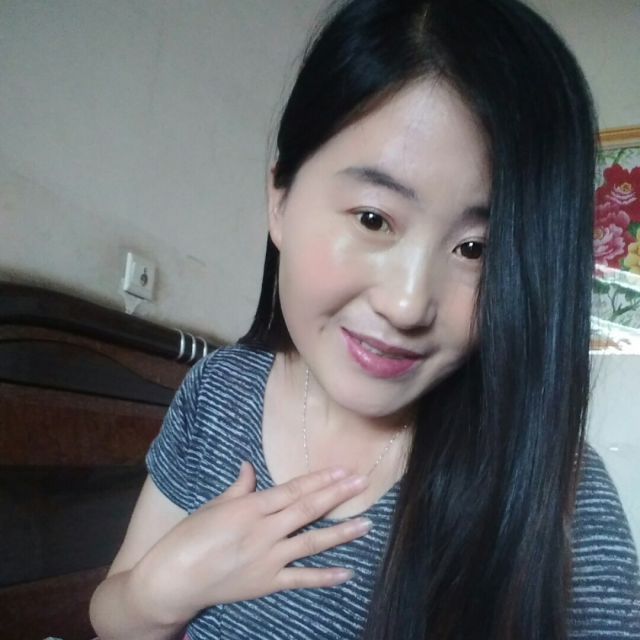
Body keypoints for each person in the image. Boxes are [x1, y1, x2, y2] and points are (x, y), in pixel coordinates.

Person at [89, 0, 640, 638]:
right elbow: (112, 616)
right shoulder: (218, 395)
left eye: (476, 250)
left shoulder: (562, 503)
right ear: (280, 199)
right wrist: (165, 588)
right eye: (374, 219)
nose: (406, 305)